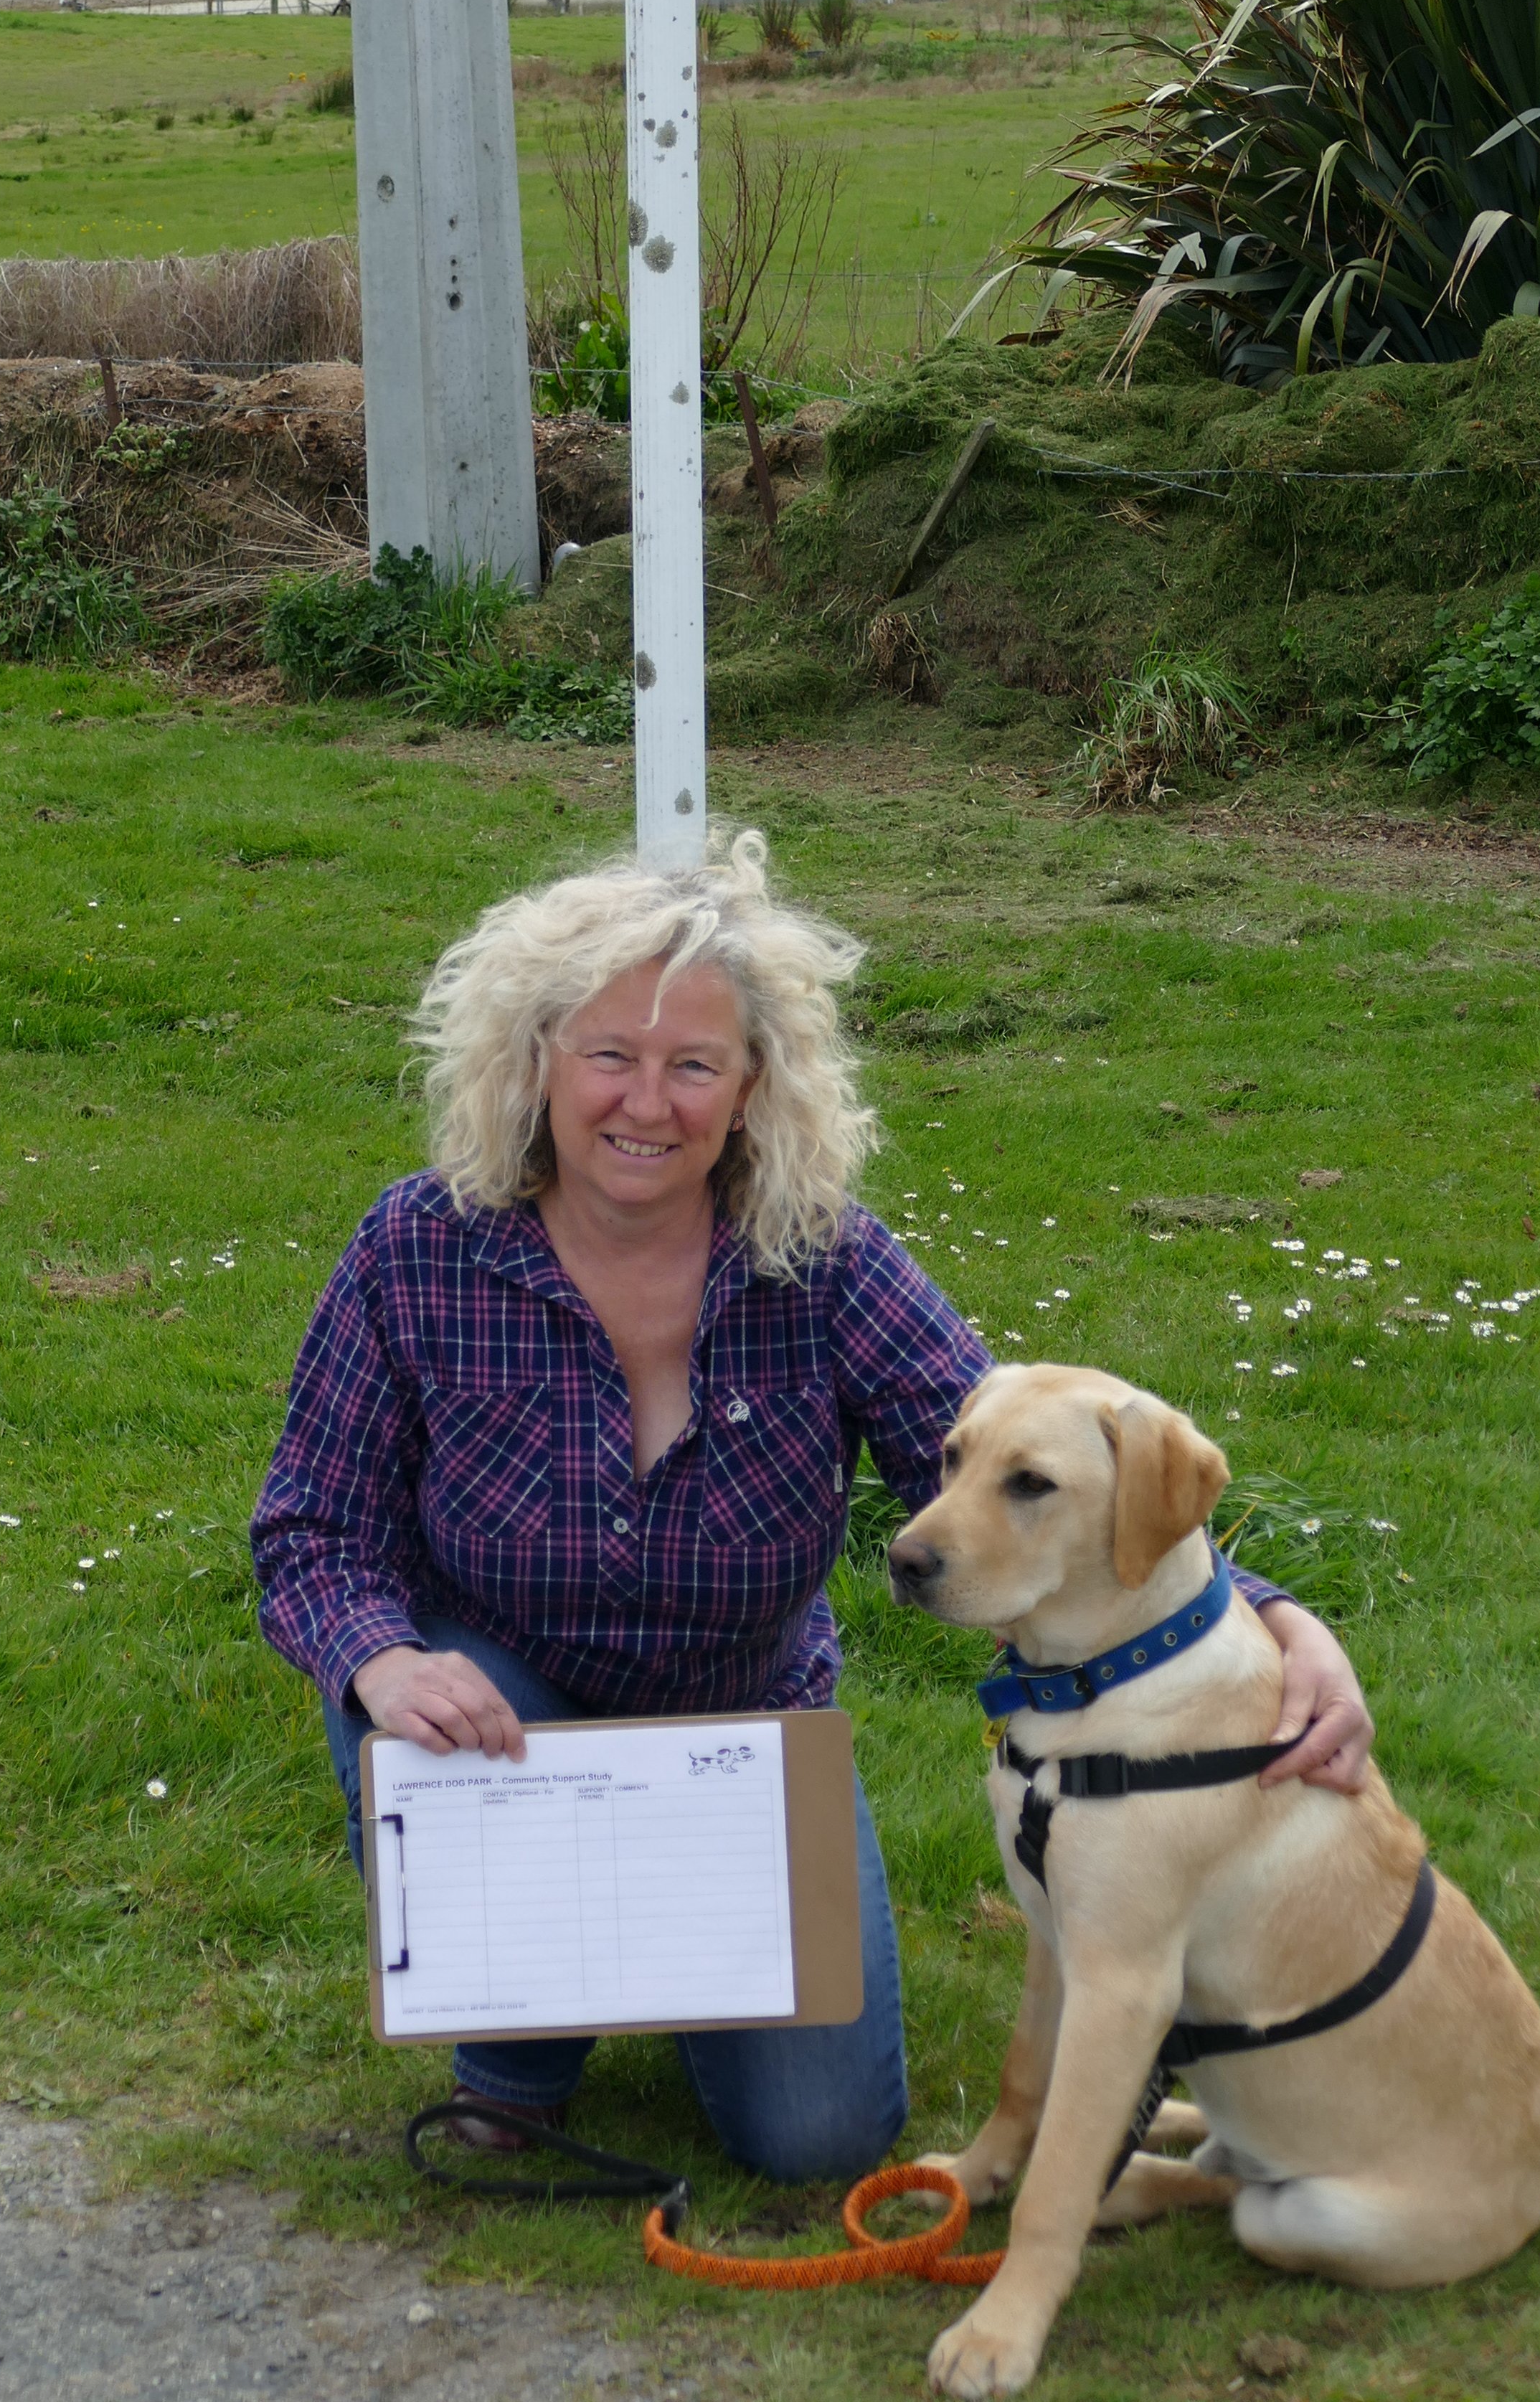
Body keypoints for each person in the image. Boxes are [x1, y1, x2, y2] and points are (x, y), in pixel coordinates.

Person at [250, 834, 1374, 2184]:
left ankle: (651, 1939)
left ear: (753, 1089)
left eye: (695, 1066)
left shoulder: (823, 1258)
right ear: (536, 1061)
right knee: (470, 1851)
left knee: (818, 2138)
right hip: (497, 1707)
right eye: (608, 1055)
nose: (646, 1102)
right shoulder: (416, 1245)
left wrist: (1273, 1622)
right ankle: (524, 2053)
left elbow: (1022, 1475)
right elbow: (310, 1530)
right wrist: (383, 1659)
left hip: (739, 1734)